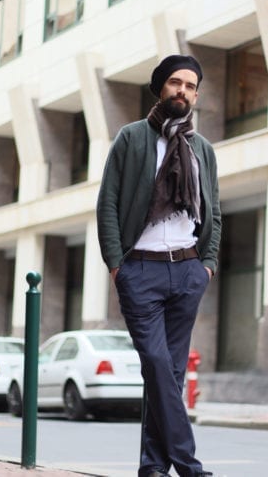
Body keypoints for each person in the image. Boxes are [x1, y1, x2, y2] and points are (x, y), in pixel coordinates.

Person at [97, 54, 221, 477]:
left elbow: (214, 211)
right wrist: (118, 265)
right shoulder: (131, 138)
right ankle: (188, 465)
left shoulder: (202, 149)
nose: (182, 90)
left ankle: (153, 466)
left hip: (187, 270)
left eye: (190, 85)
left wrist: (206, 265)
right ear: (160, 88)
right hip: (140, 270)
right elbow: (108, 203)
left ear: (196, 95)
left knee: (168, 372)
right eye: (175, 82)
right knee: (156, 363)